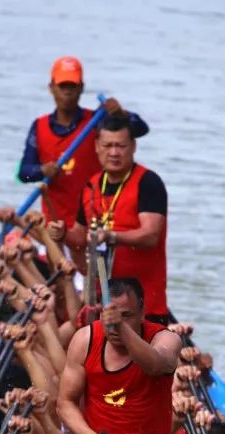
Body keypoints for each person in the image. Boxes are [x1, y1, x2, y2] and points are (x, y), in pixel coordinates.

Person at [55, 276, 181, 434]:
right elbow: (65, 403)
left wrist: (121, 328)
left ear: (142, 313)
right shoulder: (84, 340)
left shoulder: (166, 339)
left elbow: (155, 365)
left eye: (126, 316)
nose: (114, 327)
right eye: (109, 318)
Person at [17, 58, 148, 230]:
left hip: (95, 223)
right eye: (63, 86)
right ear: (51, 88)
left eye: (72, 86)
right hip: (56, 225)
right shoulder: (39, 127)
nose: (67, 92)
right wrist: (41, 171)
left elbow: (141, 129)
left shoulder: (97, 122)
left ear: (81, 88)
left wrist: (121, 114)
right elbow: (23, 174)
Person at [63, 112, 170, 320]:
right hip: (100, 304)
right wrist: (59, 233)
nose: (113, 152)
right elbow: (79, 236)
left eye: (120, 146)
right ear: (96, 146)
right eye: (107, 145)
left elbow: (151, 235)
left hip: (144, 308)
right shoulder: (90, 185)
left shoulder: (148, 182)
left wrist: (112, 237)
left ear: (133, 146)